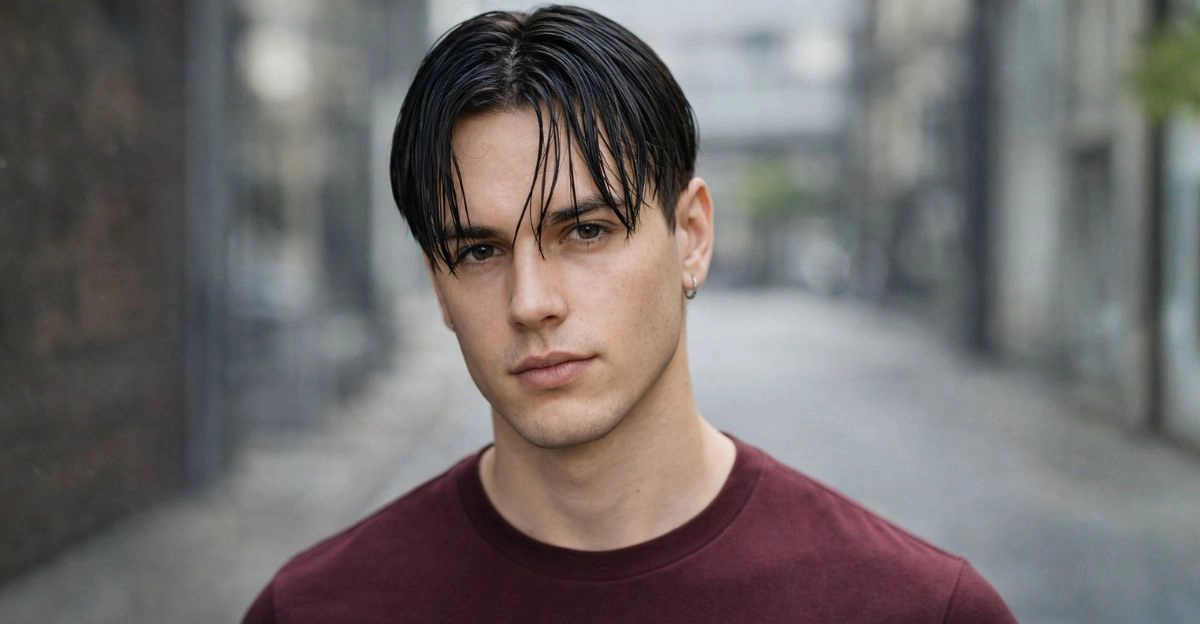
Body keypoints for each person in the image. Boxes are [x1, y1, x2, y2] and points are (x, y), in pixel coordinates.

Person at [241, 5, 1017, 622]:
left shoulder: (913, 609)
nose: (531, 302)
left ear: (692, 238)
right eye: (478, 251)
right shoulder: (314, 611)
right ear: (437, 285)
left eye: (586, 231)